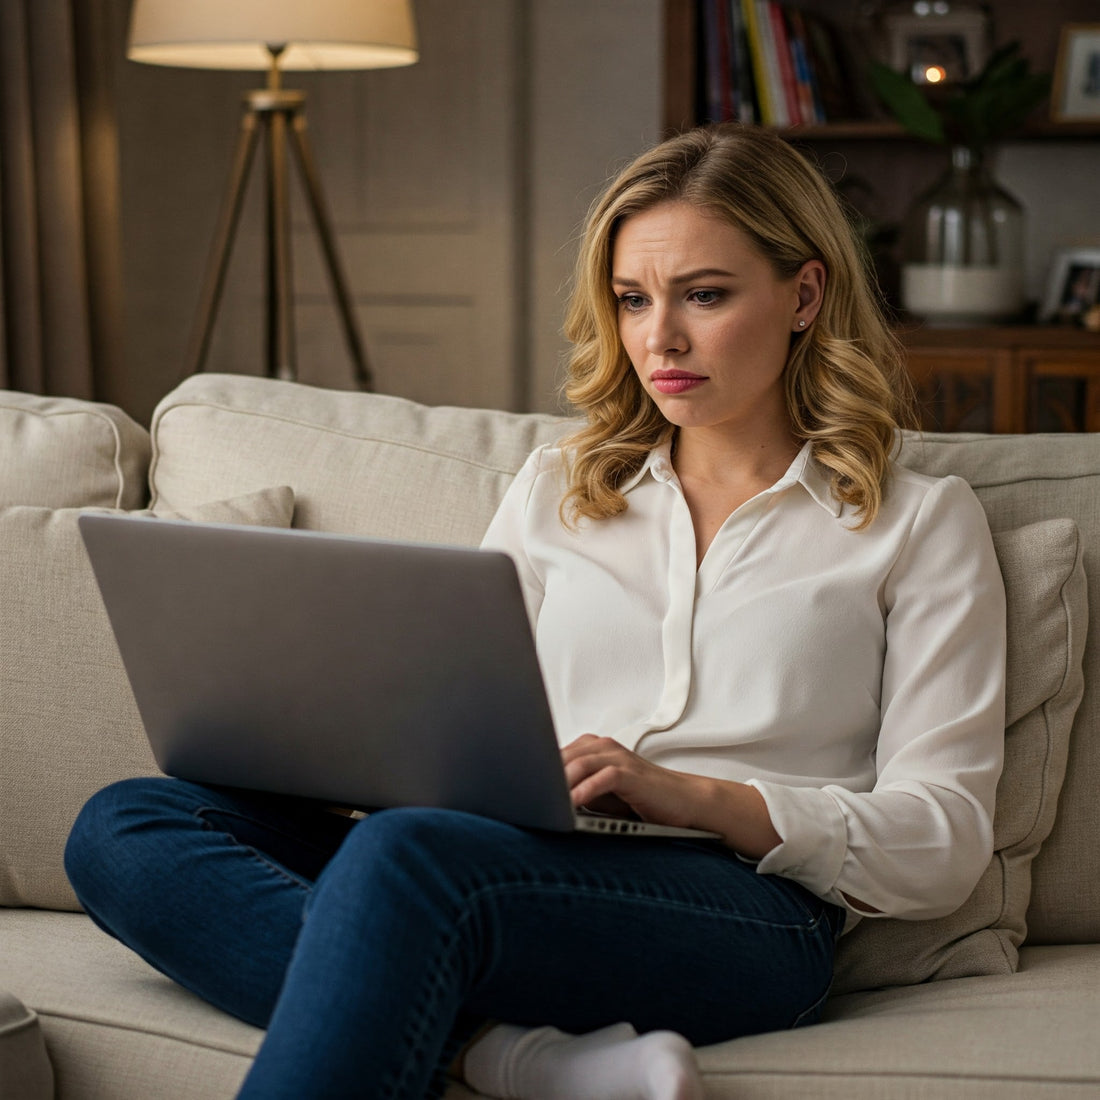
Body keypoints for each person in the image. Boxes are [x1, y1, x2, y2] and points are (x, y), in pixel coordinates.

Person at [64, 124, 1006, 1100]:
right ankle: (515, 1054)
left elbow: (940, 837)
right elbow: (457, 700)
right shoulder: (560, 485)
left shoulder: (917, 522)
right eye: (632, 300)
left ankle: (485, 1037)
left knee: (408, 858)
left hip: (747, 913)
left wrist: (693, 796)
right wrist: (373, 750)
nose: (659, 338)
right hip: (503, 854)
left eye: (704, 295)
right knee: (126, 822)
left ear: (803, 294)